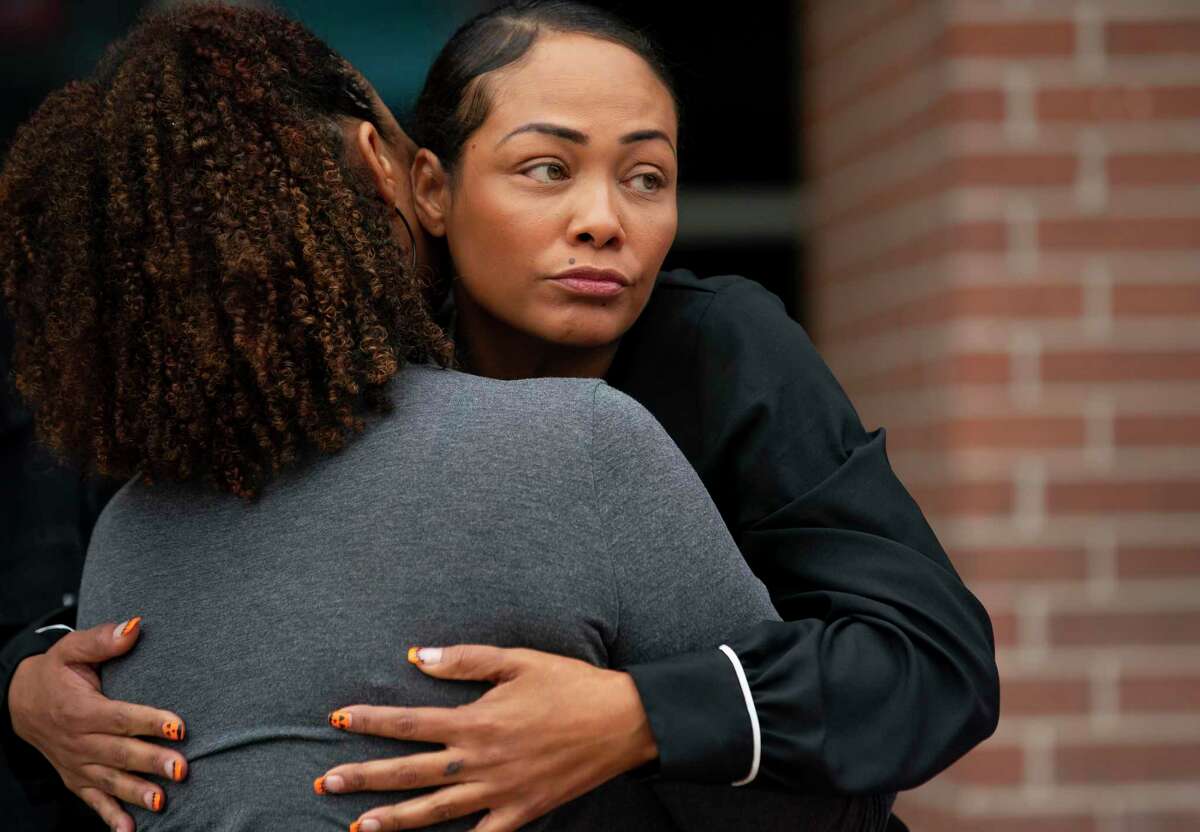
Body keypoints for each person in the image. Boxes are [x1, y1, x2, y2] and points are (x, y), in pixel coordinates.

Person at [2, 2, 998, 831]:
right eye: (546, 169)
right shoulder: (310, 370)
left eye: (646, 176)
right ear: (427, 186)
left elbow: (931, 666)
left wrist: (635, 714)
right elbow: (109, 542)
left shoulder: (722, 347)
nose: (604, 218)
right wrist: (24, 677)